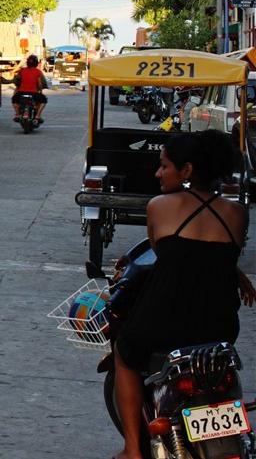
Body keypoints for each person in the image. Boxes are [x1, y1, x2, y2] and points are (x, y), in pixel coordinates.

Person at [109, 130, 255, 459]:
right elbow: (211, 254)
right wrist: (236, 272)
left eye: (164, 166)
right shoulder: (237, 214)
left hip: (163, 323)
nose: (158, 173)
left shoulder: (159, 207)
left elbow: (165, 254)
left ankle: (132, 449)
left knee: (124, 353)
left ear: (187, 171)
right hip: (218, 328)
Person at [12, 54, 48, 123]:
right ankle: (37, 115)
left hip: (21, 92)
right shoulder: (38, 71)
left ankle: (17, 114)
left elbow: (18, 81)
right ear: (36, 63)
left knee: (14, 100)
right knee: (44, 100)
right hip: (34, 93)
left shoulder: (22, 70)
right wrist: (40, 90)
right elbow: (40, 84)